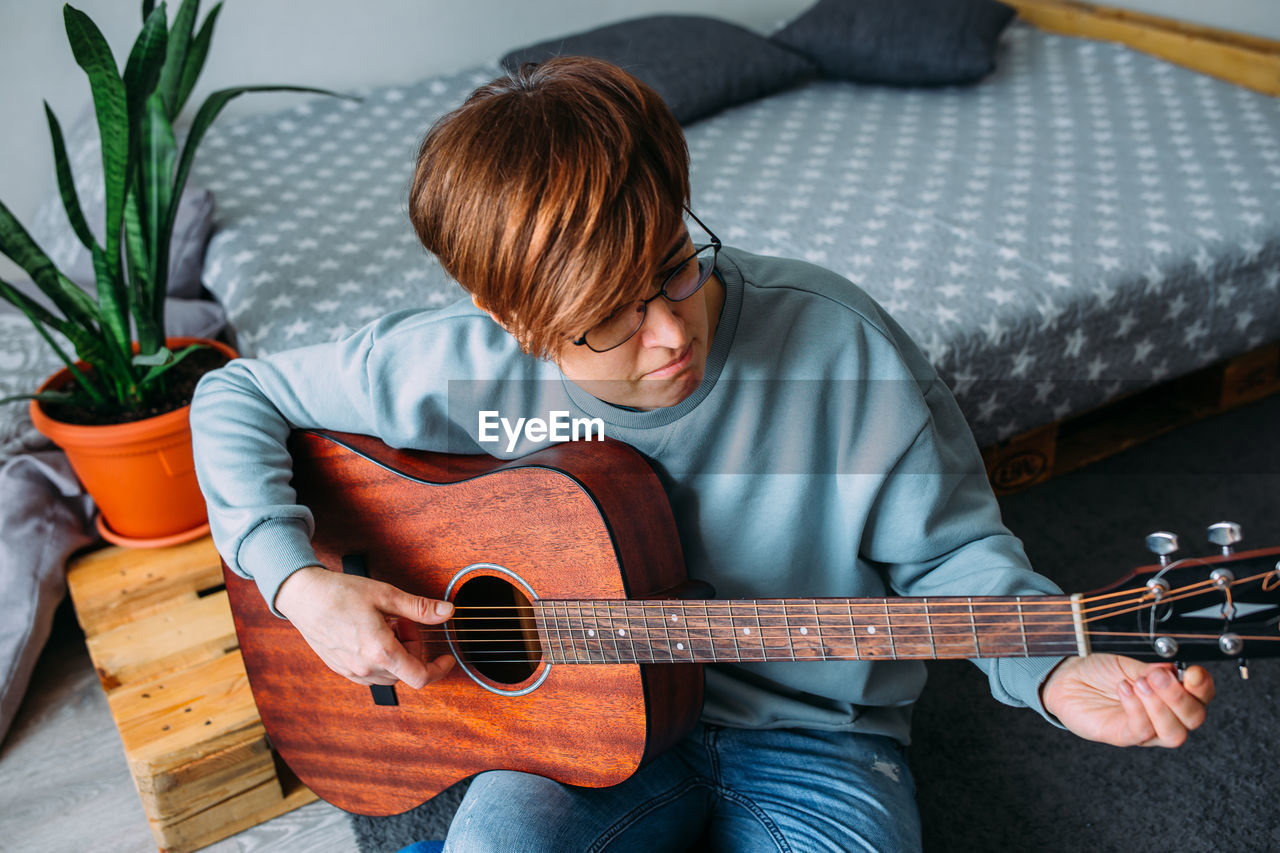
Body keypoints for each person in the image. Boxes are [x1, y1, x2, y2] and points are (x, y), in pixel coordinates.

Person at [190, 57, 1214, 852]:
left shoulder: (837, 350)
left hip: (816, 737)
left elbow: (951, 559)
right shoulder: (448, 368)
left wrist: (1053, 667)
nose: (672, 335)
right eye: (607, 321)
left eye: (675, 269)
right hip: (565, 730)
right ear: (512, 319)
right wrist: (296, 584)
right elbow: (236, 393)